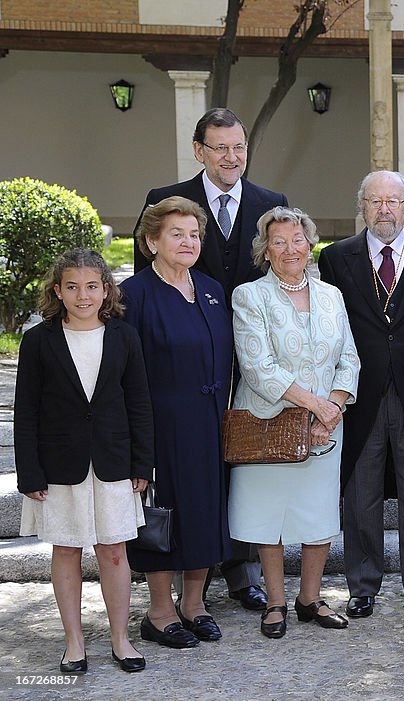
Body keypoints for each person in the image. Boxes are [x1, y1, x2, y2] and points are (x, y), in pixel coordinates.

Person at [134, 107, 289, 611]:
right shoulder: (165, 202)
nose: (231, 157)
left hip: (251, 361)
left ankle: (241, 570)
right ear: (199, 150)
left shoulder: (272, 202)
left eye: (238, 146)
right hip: (179, 362)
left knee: (241, 467)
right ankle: (173, 586)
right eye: (219, 147)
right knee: (187, 474)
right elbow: (146, 291)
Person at [16, 248, 152, 674]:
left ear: (106, 289)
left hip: (114, 461)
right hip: (60, 465)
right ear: (57, 291)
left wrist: (142, 463)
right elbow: (27, 410)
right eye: (72, 287)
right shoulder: (39, 341)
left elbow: (139, 403)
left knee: (114, 551)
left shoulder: (124, 336)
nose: (82, 295)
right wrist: (30, 472)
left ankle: (120, 638)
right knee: (67, 549)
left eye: (92, 286)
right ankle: (74, 642)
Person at [318, 171, 404, 620]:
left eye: (393, 201)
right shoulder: (336, 258)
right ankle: (363, 584)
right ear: (363, 206)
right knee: (361, 488)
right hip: (358, 389)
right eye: (375, 201)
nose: (385, 209)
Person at [230, 206, 360, 639]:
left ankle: (310, 597)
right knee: (269, 515)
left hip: (327, 427)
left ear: (310, 244)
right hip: (269, 423)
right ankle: (275, 601)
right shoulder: (250, 296)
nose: (290, 249)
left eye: (298, 240)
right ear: (265, 251)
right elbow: (258, 367)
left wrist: (334, 407)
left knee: (318, 512)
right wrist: (315, 407)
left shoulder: (331, 295)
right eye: (279, 241)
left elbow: (350, 358)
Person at [122, 197, 233, 649]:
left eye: (194, 234)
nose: (189, 242)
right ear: (152, 241)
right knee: (162, 516)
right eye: (176, 234)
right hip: (160, 425)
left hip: (209, 423)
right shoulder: (133, 295)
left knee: (204, 511)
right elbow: (125, 372)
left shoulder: (210, 288)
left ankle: (195, 604)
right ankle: (159, 611)